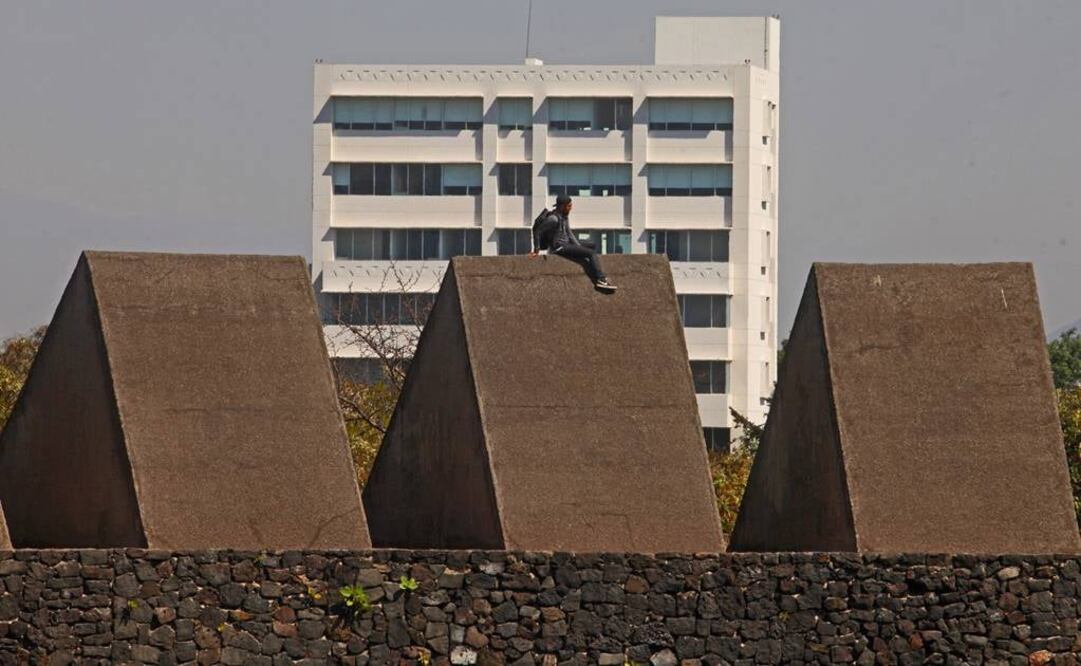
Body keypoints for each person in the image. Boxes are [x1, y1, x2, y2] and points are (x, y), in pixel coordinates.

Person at [529, 194, 618, 291]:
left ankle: (594, 271)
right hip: (559, 247)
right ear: (562, 206)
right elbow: (538, 231)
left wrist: (579, 247)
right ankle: (600, 280)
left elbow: (569, 233)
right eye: (569, 206)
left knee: (592, 245)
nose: (571, 208)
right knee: (591, 253)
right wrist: (536, 250)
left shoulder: (564, 217)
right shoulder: (553, 219)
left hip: (567, 244)